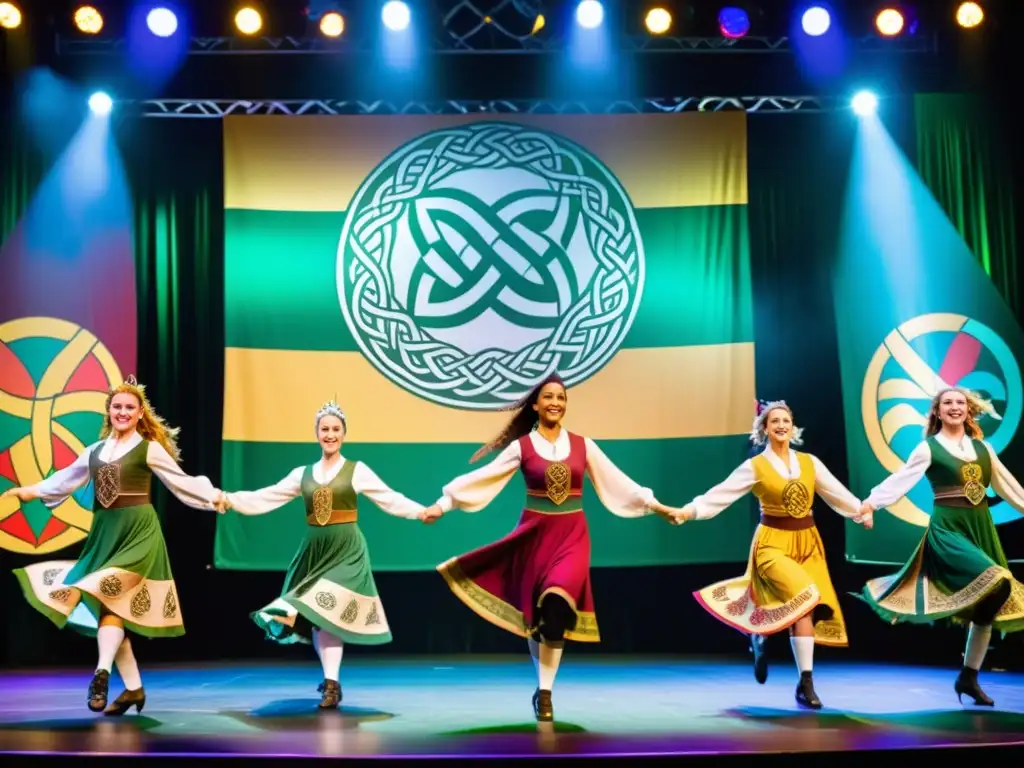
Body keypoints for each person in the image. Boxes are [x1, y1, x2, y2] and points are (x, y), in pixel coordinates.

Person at [420, 373, 679, 722]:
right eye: (548, 397)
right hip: (533, 537)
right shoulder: (522, 447)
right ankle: (541, 685)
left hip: (572, 537)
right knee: (537, 617)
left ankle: (545, 692)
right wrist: (444, 503)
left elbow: (619, 483)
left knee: (556, 609)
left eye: (561, 397)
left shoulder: (584, 445)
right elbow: (483, 477)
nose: (555, 402)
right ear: (536, 404)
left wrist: (656, 506)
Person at [4, 376, 226, 715]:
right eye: (117, 406)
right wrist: (29, 491)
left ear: (140, 414)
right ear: (109, 411)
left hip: (138, 534)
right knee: (112, 610)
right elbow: (64, 480)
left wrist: (214, 497)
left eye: (129, 407)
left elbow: (180, 482)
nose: (122, 412)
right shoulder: (94, 451)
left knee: (107, 595)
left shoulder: (148, 449)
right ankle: (134, 690)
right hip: (105, 534)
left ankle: (101, 675)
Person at [217, 400, 433, 709]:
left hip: (346, 549)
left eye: (335, 430)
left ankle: (331, 685)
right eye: (324, 429)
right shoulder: (302, 473)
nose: (330, 435)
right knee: (320, 618)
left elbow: (389, 498)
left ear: (344, 434)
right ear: (316, 434)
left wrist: (420, 512)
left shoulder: (356, 470)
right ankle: (331, 682)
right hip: (315, 550)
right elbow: (267, 497)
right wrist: (230, 500)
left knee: (327, 607)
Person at [674, 400, 869, 709]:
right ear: (764, 428)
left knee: (806, 607)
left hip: (808, 544)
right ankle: (780, 655)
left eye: (786, 420)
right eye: (774, 421)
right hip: (772, 544)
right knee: (806, 595)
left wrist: (860, 511)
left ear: (793, 427)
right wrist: (690, 511)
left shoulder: (809, 463)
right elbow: (720, 495)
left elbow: (836, 493)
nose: (781, 425)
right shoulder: (755, 466)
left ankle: (804, 681)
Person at [855, 387, 1024, 706]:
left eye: (960, 402)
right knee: (998, 579)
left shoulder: (983, 449)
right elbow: (900, 480)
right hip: (949, 530)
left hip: (980, 527)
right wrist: (870, 505)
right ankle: (966, 672)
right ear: (937, 411)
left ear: (969, 410)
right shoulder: (928, 448)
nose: (955, 407)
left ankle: (969, 677)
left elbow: (1010, 488)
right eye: (948, 403)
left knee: (994, 597)